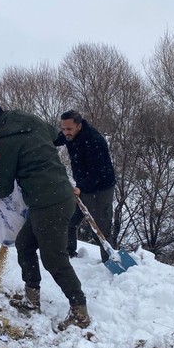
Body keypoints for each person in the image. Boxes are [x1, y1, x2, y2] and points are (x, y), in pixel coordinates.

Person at [0, 97, 90, 331]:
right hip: (55, 195)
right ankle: (31, 298)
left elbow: (4, 187)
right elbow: (57, 138)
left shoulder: (3, 140)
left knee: (54, 259)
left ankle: (80, 311)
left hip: (50, 203)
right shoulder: (26, 118)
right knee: (25, 243)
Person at [54, 110, 116, 263]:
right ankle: (69, 254)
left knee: (102, 229)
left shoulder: (94, 141)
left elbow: (100, 171)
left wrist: (82, 187)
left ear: (79, 126)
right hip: (81, 186)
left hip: (101, 189)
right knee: (69, 220)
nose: (65, 133)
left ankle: (110, 262)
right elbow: (56, 139)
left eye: (69, 129)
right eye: (63, 129)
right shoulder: (69, 136)